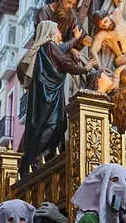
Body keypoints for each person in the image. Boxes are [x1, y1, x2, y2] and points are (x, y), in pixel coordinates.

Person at [17, 20, 95, 173]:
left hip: (49, 95)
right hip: (49, 97)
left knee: (54, 126)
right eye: (58, 30)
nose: (60, 33)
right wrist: (85, 69)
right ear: (50, 33)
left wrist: (75, 39)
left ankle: (40, 159)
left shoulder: (46, 48)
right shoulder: (49, 46)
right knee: (52, 126)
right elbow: (66, 62)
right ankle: (38, 159)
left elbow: (61, 50)